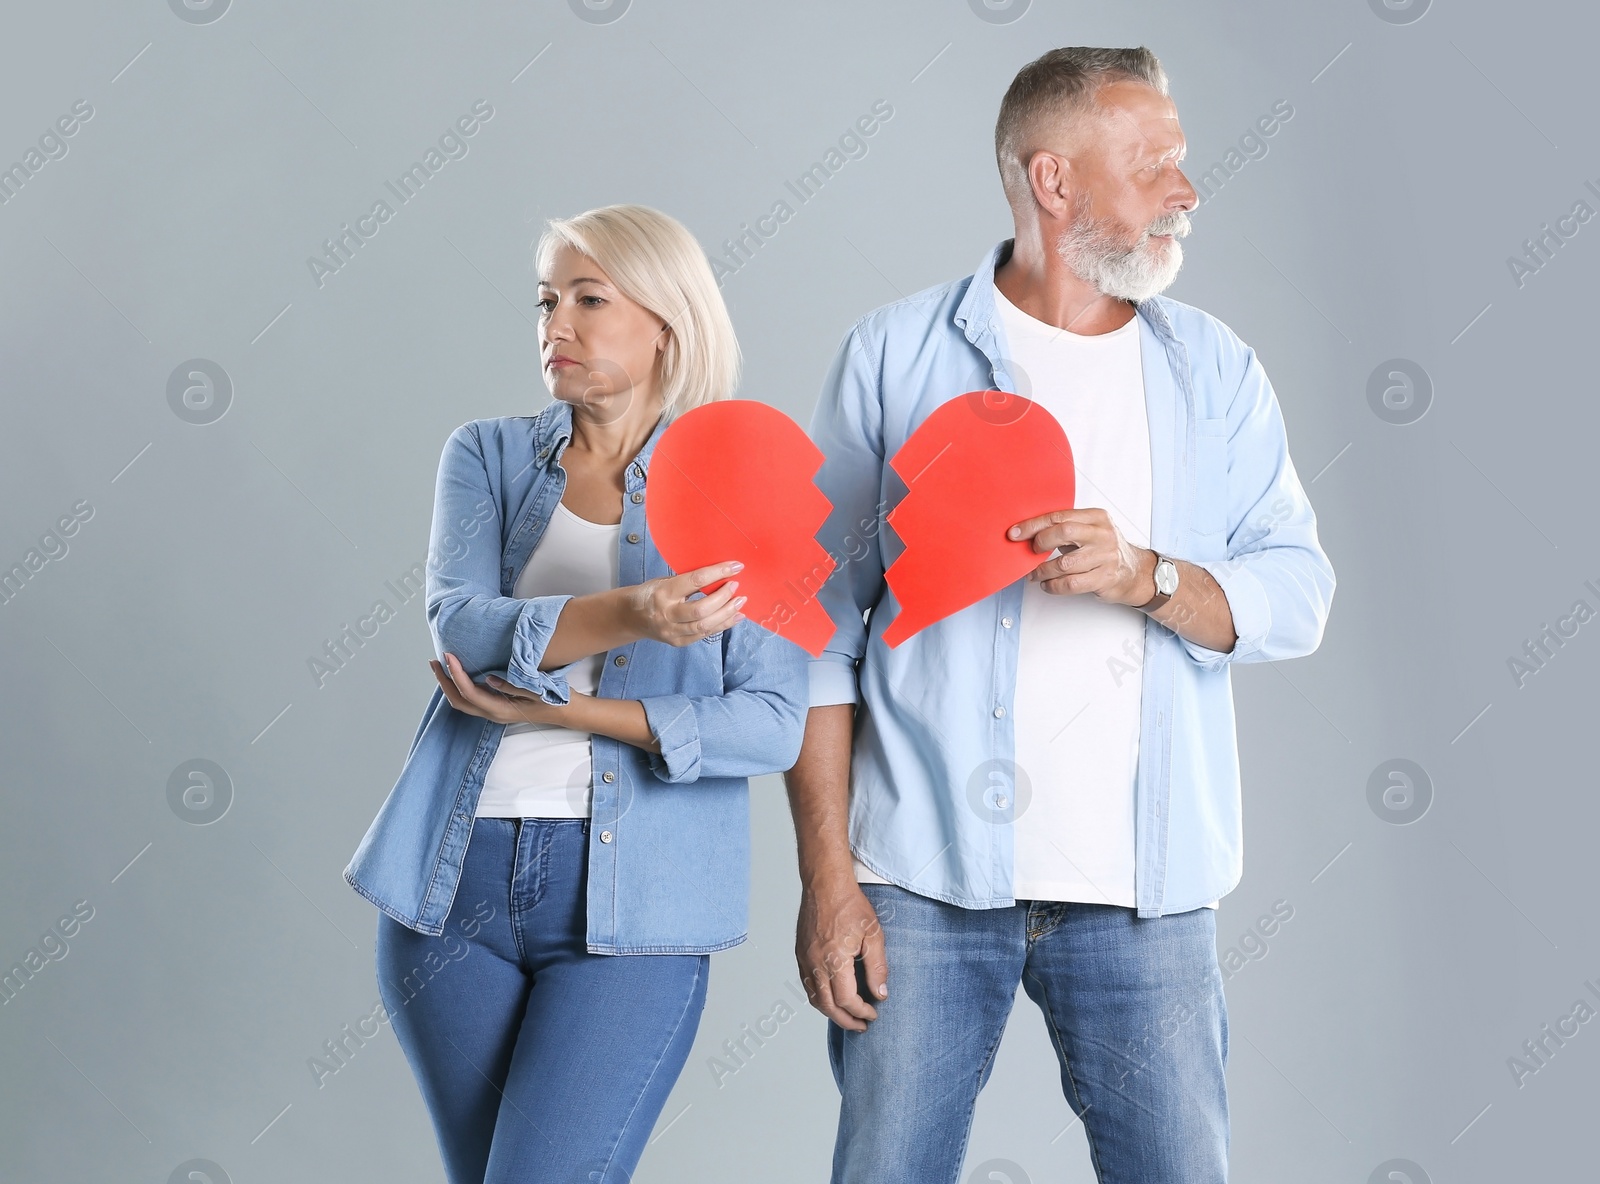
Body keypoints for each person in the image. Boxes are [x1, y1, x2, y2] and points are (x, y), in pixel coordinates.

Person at [785, 47, 1336, 1183]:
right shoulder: (894, 356)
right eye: (1154, 165)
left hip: (1148, 895)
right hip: (920, 881)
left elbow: (1300, 591)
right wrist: (830, 883)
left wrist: (1151, 576)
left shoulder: (1213, 372)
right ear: (1053, 181)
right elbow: (816, 638)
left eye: (1181, 164)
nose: (1187, 190)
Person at [343, 203, 810, 1184]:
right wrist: (633, 612)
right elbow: (460, 626)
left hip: (637, 905)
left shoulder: (745, 481)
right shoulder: (490, 456)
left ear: (666, 321)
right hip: (449, 885)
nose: (555, 324)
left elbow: (770, 722)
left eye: (589, 298)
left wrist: (568, 709)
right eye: (547, 299)